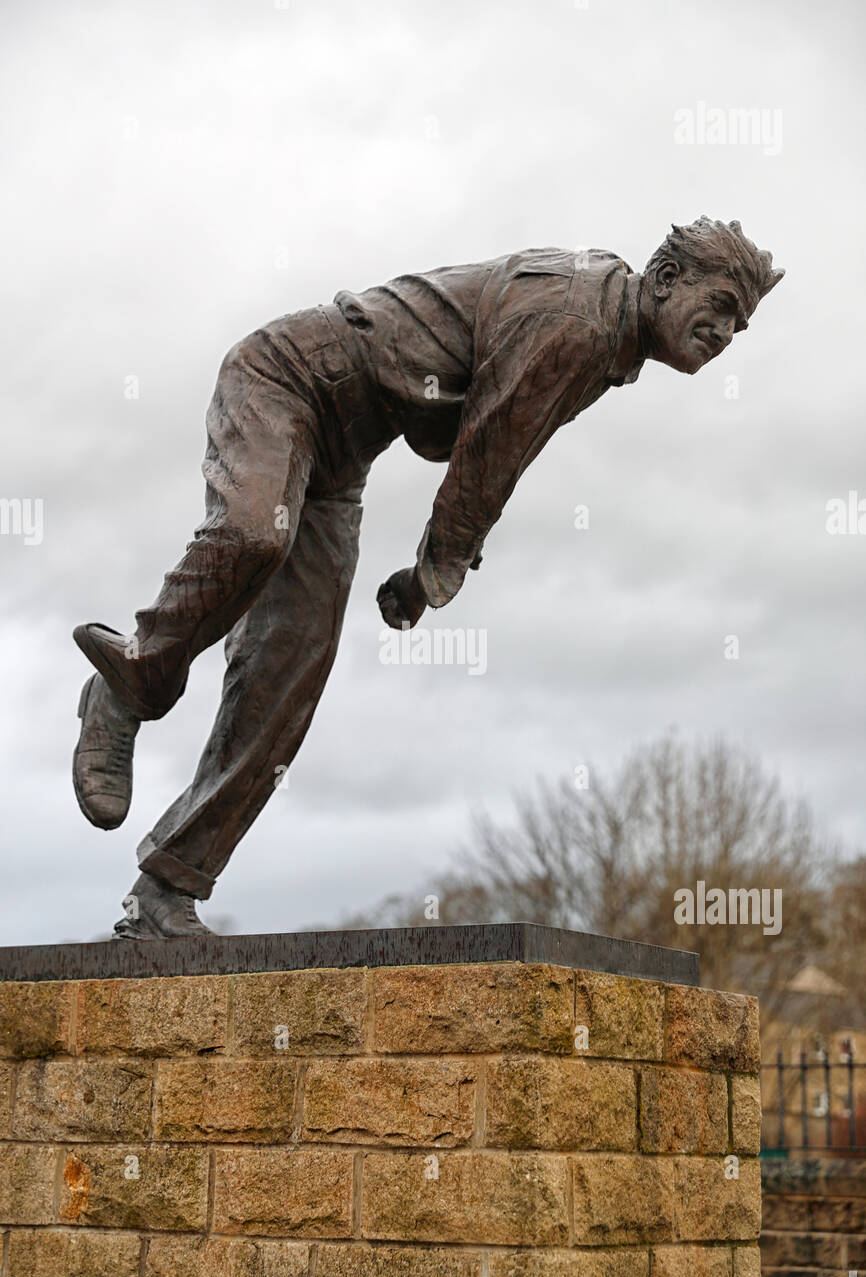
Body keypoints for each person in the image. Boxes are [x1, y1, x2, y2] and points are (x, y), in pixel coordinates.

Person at [72, 216, 783, 937]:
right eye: (720, 306)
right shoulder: (580, 317)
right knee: (257, 536)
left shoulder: (608, 323)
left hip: (341, 456)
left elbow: (492, 429)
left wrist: (435, 563)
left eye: (739, 326)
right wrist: (431, 573)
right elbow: (491, 451)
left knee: (289, 671)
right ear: (666, 281)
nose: (725, 334)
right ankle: (131, 679)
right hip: (283, 378)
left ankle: (166, 890)